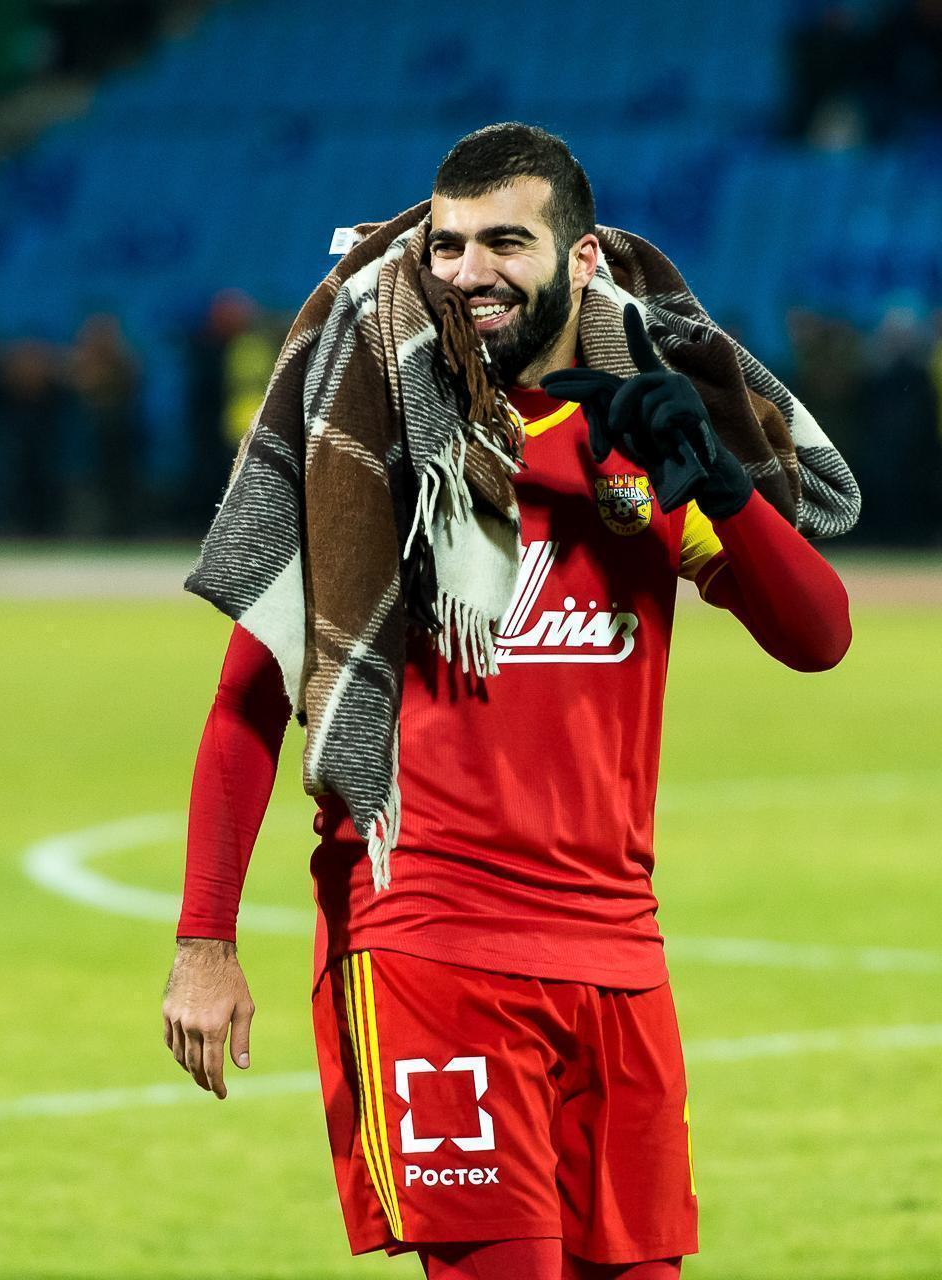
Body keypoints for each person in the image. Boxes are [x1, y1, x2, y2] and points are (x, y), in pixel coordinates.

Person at [162, 124, 853, 1280]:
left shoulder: (640, 443)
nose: (469, 270)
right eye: (448, 244)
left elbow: (819, 635)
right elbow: (246, 703)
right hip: (430, 942)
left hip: (620, 952)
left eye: (505, 242)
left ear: (581, 260)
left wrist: (724, 482)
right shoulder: (373, 450)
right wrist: (204, 940)